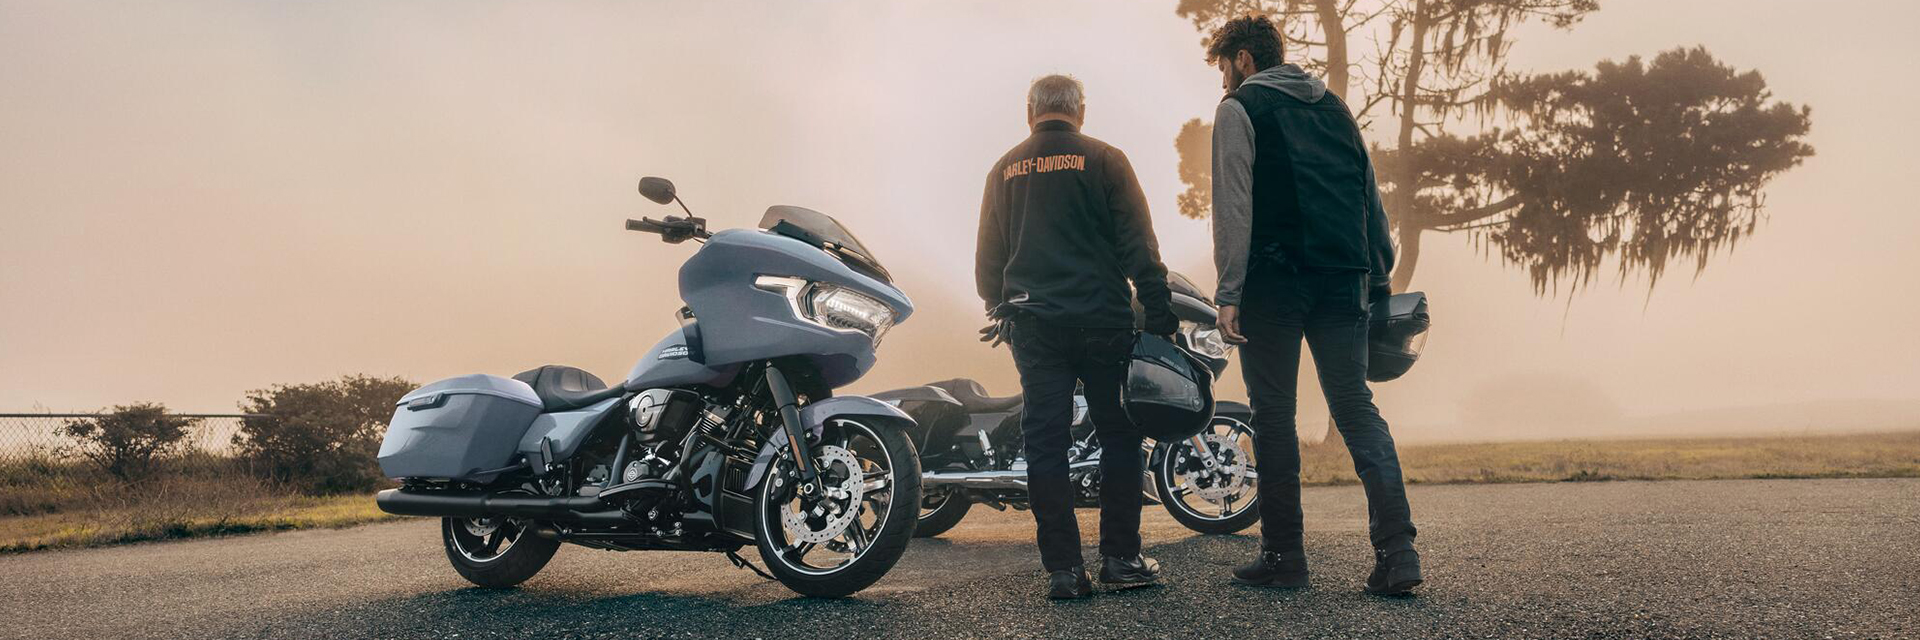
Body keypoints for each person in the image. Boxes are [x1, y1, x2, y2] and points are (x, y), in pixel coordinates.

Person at [1203, 14, 1423, 595]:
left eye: (1223, 67)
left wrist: (1229, 292)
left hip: (1273, 280)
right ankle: (1398, 553)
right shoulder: (1335, 108)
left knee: (1274, 416)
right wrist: (1378, 276)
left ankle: (1284, 558)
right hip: (1344, 277)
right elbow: (1369, 196)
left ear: (1244, 59)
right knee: (1355, 407)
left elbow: (1233, 206)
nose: (1222, 81)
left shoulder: (1239, 108)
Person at [975, 74, 1179, 600]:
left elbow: (988, 262)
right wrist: (1159, 316)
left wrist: (1001, 307)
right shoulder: (1106, 159)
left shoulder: (1004, 169)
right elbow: (1140, 246)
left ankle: (1064, 571)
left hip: (1035, 325)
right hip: (1104, 320)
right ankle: (1121, 559)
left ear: (1030, 112)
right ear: (1080, 111)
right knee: (1119, 435)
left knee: (1045, 442)